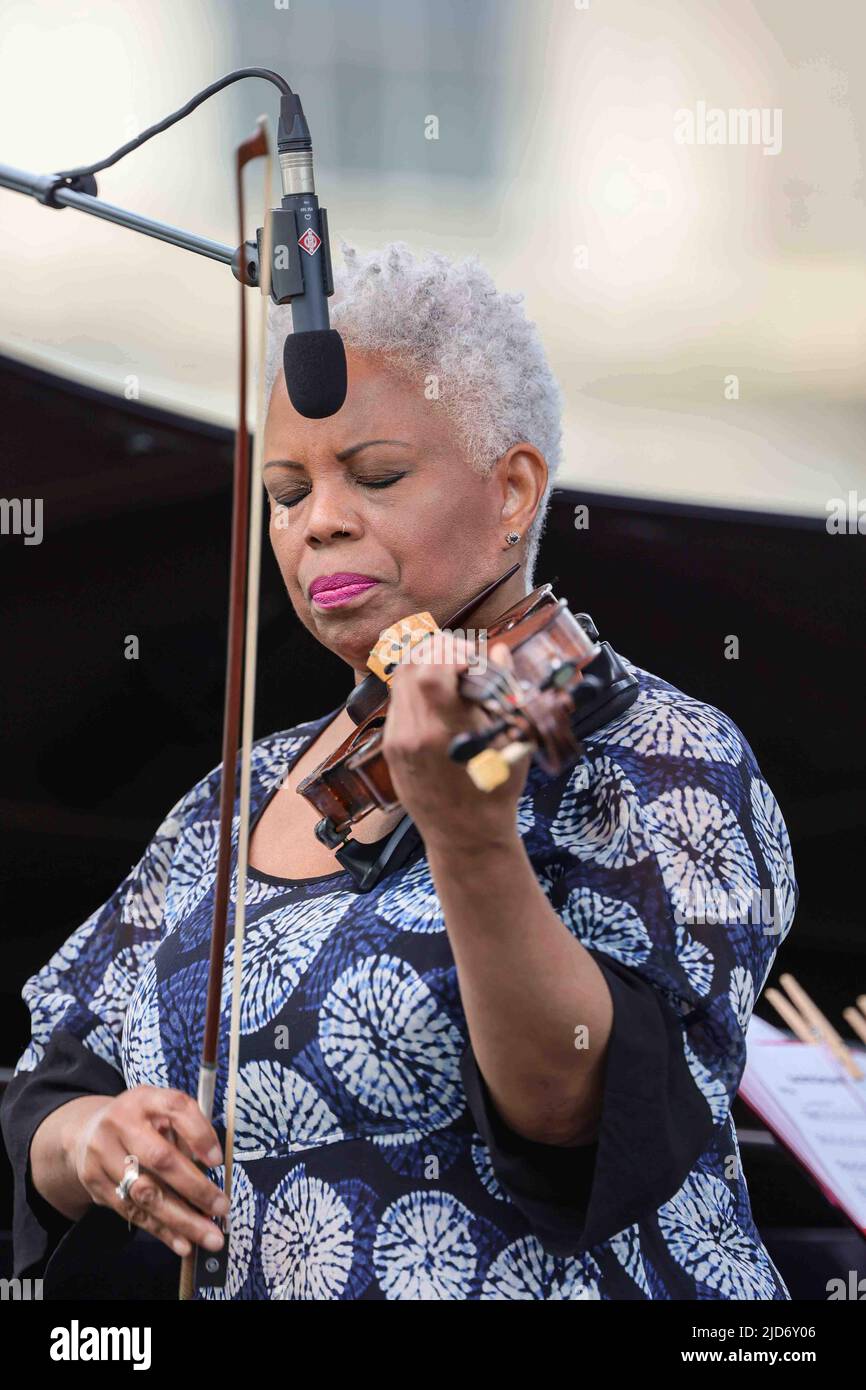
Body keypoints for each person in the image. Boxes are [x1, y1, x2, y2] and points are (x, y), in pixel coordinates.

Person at [1, 241, 798, 1300]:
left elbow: (579, 1115)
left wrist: (470, 838)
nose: (317, 520)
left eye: (374, 475)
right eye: (286, 493)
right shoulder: (234, 796)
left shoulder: (656, 756)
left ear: (513, 488)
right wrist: (92, 1137)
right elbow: (51, 1079)